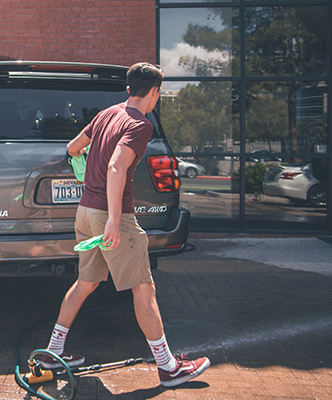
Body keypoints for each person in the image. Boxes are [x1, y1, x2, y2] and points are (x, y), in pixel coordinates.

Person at [40, 63, 210, 388]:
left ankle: (52, 352)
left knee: (85, 282)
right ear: (155, 92)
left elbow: (73, 147)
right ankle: (168, 367)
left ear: (129, 88)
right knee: (144, 287)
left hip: (86, 211)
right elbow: (118, 166)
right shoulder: (140, 124)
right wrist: (116, 221)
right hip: (109, 216)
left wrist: (90, 160)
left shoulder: (106, 114)